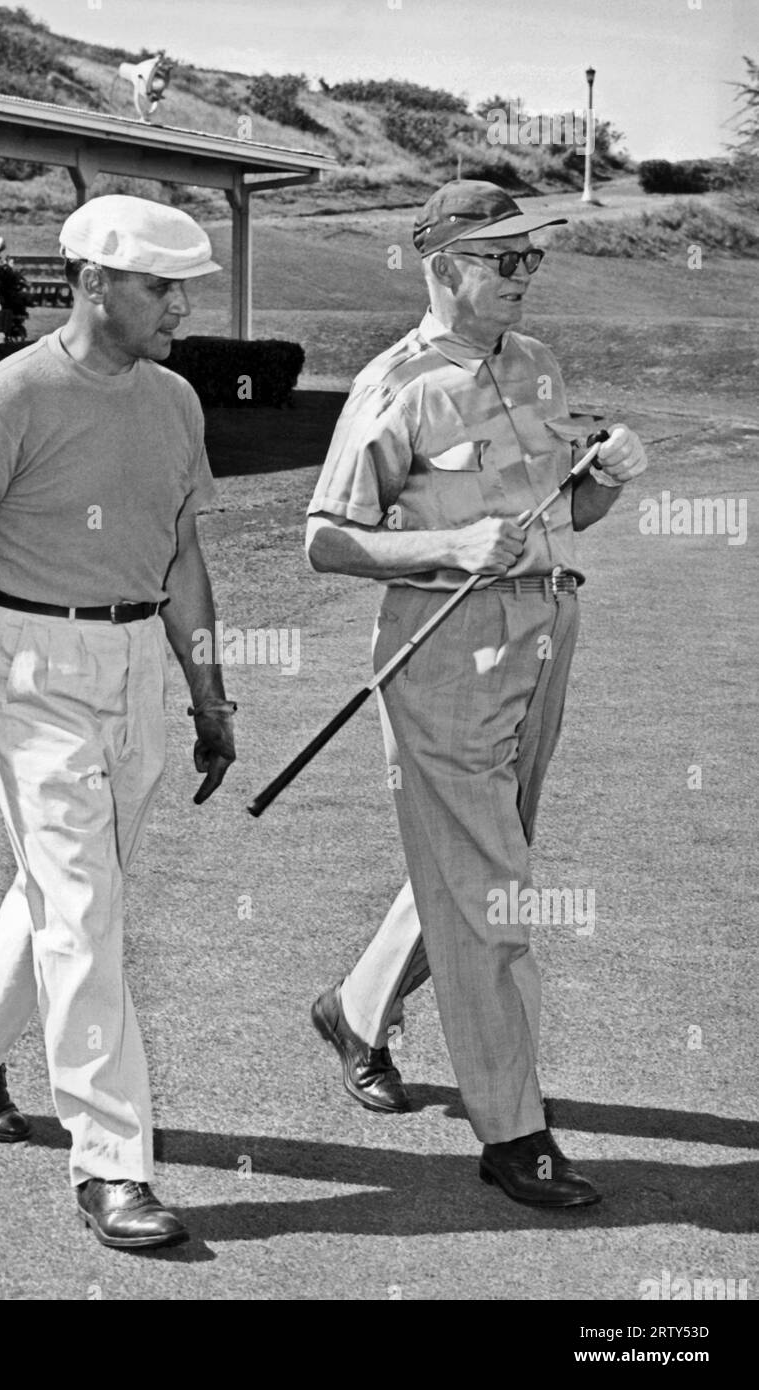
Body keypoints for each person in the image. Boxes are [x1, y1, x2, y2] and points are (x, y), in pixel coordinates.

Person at [0, 195, 236, 1250]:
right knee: (83, 909)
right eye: (163, 288)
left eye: (183, 288)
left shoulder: (174, 402)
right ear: (94, 283)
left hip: (134, 669)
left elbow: (183, 563)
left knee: (72, 891)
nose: (181, 308)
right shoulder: (5, 398)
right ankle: (112, 1164)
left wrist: (210, 694)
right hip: (28, 660)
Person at [305, 180, 647, 1208]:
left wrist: (612, 476)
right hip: (444, 650)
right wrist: (448, 544)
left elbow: (564, 510)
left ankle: (358, 1008)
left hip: (544, 633)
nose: (524, 275)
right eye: (504, 259)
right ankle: (514, 1132)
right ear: (443, 267)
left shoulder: (534, 367)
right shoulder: (393, 385)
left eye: (531, 258)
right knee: (495, 889)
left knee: (481, 853)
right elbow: (324, 536)